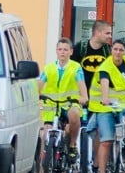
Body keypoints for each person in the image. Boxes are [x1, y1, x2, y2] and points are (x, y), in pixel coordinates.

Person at [86, 39, 125, 173]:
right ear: (111, 51)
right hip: (104, 107)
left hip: (124, 104)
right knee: (106, 140)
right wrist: (105, 97)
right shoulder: (105, 67)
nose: (118, 52)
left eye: (121, 50)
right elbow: (104, 82)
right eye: (115, 49)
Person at [37, 37, 88, 166]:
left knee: (74, 116)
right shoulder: (49, 68)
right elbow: (39, 86)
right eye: (59, 49)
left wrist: (83, 98)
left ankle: (72, 145)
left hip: (69, 104)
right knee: (45, 138)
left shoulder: (76, 68)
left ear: (71, 52)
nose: (62, 52)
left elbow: (83, 91)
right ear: (56, 51)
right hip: (52, 106)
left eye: (65, 50)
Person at [71, 20, 113, 91]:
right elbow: (71, 71)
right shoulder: (80, 48)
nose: (110, 36)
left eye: (110, 33)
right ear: (97, 32)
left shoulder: (109, 51)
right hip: (82, 96)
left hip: (101, 97)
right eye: (107, 33)